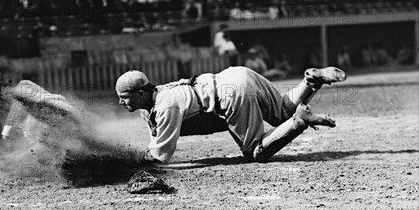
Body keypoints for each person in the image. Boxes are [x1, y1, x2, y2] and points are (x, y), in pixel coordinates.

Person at [115, 65, 347, 163]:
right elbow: (156, 133)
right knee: (282, 113)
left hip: (231, 94)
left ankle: (300, 121)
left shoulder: (166, 106)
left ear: (141, 93)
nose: (120, 101)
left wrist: (130, 162)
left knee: (256, 152)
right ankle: (310, 81)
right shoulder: (159, 95)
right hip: (236, 75)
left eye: (124, 96)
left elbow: (160, 157)